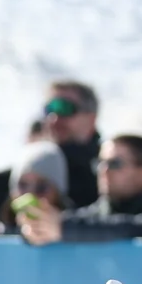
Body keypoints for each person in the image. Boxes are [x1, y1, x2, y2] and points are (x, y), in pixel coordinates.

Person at [17, 133, 142, 244]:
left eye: (115, 164)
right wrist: (37, 229)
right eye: (101, 163)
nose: (104, 171)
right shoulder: (105, 206)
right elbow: (87, 220)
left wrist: (65, 228)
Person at [41, 81, 104, 210]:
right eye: (49, 109)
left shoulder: (109, 165)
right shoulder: (38, 164)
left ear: (91, 118)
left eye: (64, 108)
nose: (54, 119)